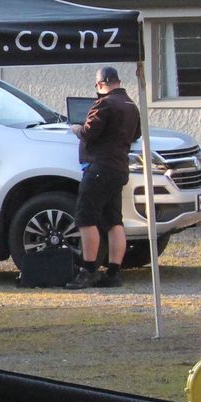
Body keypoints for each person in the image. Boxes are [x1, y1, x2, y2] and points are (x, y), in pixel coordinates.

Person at [68, 65, 143, 289]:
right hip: (119, 168)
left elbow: (90, 132)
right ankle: (113, 273)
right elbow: (136, 134)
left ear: (101, 84)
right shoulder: (131, 106)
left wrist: (76, 129)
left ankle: (88, 270)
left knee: (85, 218)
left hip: (99, 167)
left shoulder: (104, 104)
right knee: (113, 220)